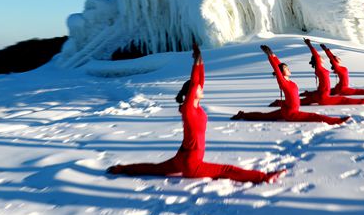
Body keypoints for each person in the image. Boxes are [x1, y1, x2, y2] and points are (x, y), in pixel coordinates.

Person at [107, 42, 285, 183]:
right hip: (192, 164)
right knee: (226, 170)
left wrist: (201, 62)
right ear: (191, 93)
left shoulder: (194, 106)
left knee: (155, 169)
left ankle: (122, 169)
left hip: (182, 157)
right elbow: (194, 84)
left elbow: (199, 81)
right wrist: (195, 62)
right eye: (198, 88)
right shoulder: (188, 109)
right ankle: (263, 177)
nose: (201, 88)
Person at [232, 44, 349, 125]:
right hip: (291, 114)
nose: (288, 69)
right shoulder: (283, 81)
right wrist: (269, 56)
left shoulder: (290, 81)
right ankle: (335, 121)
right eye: (286, 68)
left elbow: (279, 65)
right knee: (314, 116)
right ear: (282, 73)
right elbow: (277, 69)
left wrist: (273, 55)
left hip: (286, 110)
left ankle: (243, 115)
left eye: (287, 67)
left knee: (265, 116)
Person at [269, 38, 364, 107]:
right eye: (319, 57)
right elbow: (279, 69)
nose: (321, 58)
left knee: (302, 101)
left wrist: (272, 55)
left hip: (321, 94)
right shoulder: (319, 67)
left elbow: (279, 67)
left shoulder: (322, 68)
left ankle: (296, 97)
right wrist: (310, 45)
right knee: (343, 100)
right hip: (323, 97)